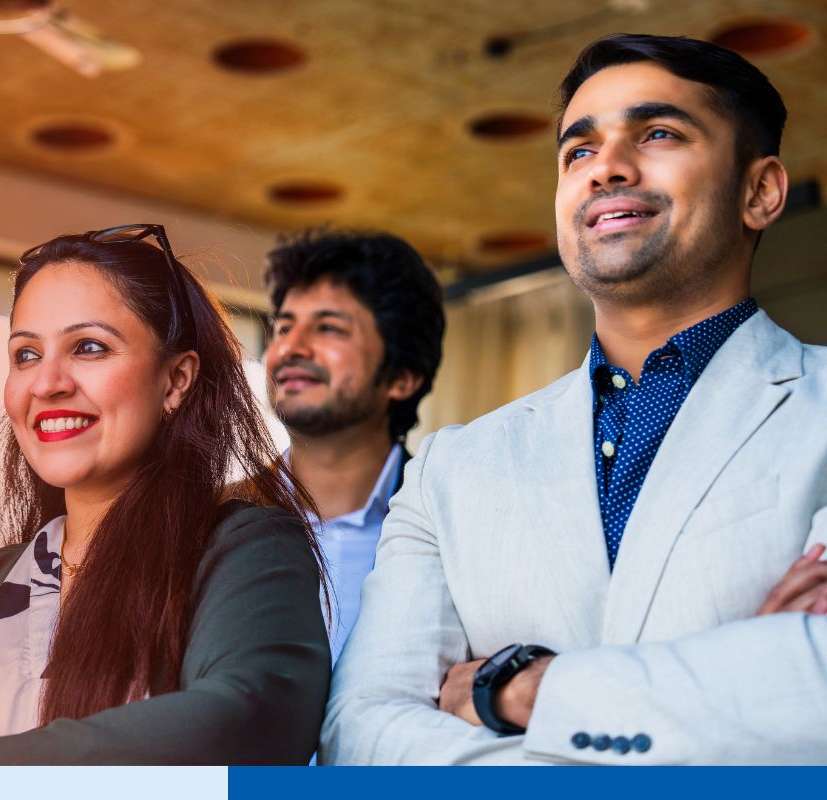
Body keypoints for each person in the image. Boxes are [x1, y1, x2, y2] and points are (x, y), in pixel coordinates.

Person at [322, 33, 827, 765]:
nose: (608, 169)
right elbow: (360, 732)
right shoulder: (451, 469)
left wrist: (514, 691)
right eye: (578, 151)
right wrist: (741, 683)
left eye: (658, 133)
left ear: (760, 191)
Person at [0, 224, 331, 765]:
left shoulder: (245, 550)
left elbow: (247, 721)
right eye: (26, 354)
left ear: (176, 380)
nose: (47, 383)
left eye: (89, 347)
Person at [263, 229, 444, 663]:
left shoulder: (457, 530)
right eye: (284, 326)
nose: (290, 346)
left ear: (402, 377)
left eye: (328, 328)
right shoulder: (209, 520)